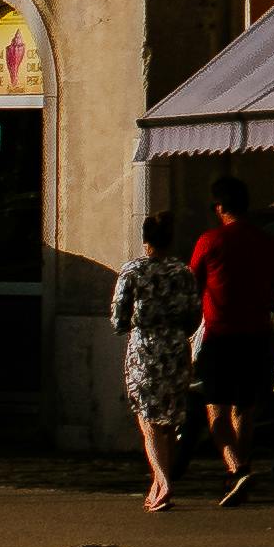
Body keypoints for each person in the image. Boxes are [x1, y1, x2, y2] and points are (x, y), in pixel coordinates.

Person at [189, 178, 274, 502]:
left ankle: (237, 470)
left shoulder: (210, 241)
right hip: (256, 334)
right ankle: (242, 470)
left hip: (220, 335)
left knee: (215, 411)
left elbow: (193, 283)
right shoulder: (268, 243)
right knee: (244, 411)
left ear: (219, 208)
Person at [110, 214, 202, 513]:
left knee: (148, 421)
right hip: (175, 347)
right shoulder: (183, 271)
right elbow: (194, 315)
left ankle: (162, 481)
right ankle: (158, 485)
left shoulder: (133, 271)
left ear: (145, 240)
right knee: (169, 420)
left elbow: (118, 318)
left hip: (145, 349)